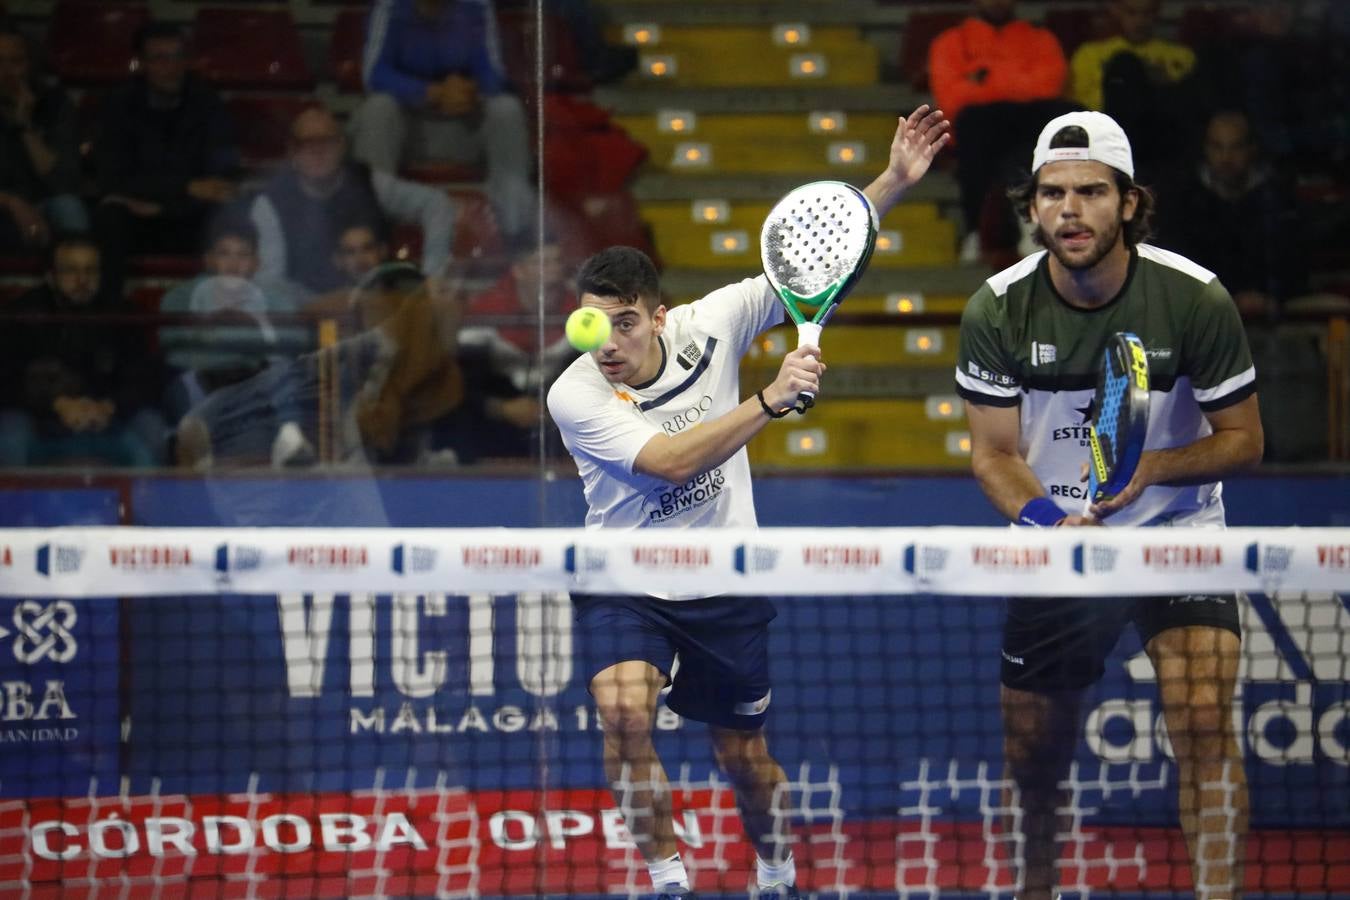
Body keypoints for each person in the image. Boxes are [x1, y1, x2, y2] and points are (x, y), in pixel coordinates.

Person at [547, 106, 951, 898]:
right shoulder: (576, 393)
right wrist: (768, 401)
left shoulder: (716, 322)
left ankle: (774, 869)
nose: (610, 346)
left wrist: (895, 184)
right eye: (596, 326)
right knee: (624, 713)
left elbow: (816, 260)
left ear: (658, 316)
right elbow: (666, 464)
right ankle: (667, 877)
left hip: (723, 580)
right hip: (625, 578)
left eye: (625, 325)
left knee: (742, 757)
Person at [955, 110, 1262, 900]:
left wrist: (1154, 467)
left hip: (1177, 532)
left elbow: (1245, 440)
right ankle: (1036, 890)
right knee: (1033, 750)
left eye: (1091, 191)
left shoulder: (1195, 300)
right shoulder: (997, 308)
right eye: (1052, 193)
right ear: (1032, 208)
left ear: (1129, 202)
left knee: (1200, 721)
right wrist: (1051, 525)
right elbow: (992, 453)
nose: (1069, 209)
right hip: (1059, 542)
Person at [347, 0, 536, 240]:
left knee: (506, 108)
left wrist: (470, 89)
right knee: (377, 108)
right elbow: (373, 75)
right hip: (406, 131)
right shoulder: (389, 7)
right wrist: (431, 92)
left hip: (462, 125)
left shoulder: (477, 5)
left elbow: (494, 73)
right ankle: (371, 231)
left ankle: (515, 231)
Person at [91, 22, 240, 295]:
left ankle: (220, 312)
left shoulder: (208, 103)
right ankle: (108, 311)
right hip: (139, 220)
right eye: (159, 58)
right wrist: (187, 186)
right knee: (109, 216)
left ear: (186, 61)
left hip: (187, 217)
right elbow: (113, 178)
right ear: (141, 63)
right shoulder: (118, 104)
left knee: (228, 214)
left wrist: (165, 206)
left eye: (176, 57)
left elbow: (222, 181)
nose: (169, 67)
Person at [251, 105, 458, 297]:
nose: (318, 150)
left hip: (377, 311)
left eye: (327, 141)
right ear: (292, 152)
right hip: (305, 320)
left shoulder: (368, 182)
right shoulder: (269, 204)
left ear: (341, 146)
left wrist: (434, 274)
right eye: (307, 143)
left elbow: (437, 204)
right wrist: (320, 305)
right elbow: (269, 283)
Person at [926, 0, 1075, 258]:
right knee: (974, 122)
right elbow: (951, 100)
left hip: (1030, 122)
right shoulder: (950, 42)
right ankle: (978, 230)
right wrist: (1020, 79)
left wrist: (985, 78)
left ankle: (1037, 221)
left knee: (1055, 119)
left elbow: (1050, 86)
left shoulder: (1041, 39)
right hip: (980, 128)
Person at [0, 234, 165, 467]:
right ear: (51, 276)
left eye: (91, 271)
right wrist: (58, 404)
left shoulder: (123, 312)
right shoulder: (23, 313)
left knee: (151, 427)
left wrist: (110, 405)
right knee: (9, 431)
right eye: (71, 270)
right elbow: (7, 379)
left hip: (107, 419)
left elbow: (144, 377)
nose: (82, 279)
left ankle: (149, 505)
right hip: (42, 420)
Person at [1155, 109, 1304, 320]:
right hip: (1203, 315)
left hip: (1273, 315)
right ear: (1206, 149)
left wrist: (1270, 297)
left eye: (1236, 147)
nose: (1226, 158)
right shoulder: (1185, 203)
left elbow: (1293, 264)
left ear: (1252, 149)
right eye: (1217, 147)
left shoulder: (1275, 200)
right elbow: (1177, 268)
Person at [1068, 0, 1199, 178]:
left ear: (1157, 14)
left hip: (1162, 144)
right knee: (1124, 64)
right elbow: (1080, 106)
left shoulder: (1181, 56)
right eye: (1132, 13)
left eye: (1147, 14)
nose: (1140, 21)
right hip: (1106, 139)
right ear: (1117, 12)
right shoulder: (1089, 55)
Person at [0, 24, 86, 253]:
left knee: (69, 207)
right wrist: (11, 202)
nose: (6, 71)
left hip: (45, 201)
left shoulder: (55, 103)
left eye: (15, 61)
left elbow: (63, 181)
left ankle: (77, 280)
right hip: (4, 204)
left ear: (29, 65)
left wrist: (25, 126)